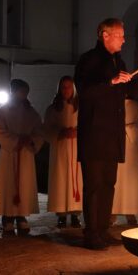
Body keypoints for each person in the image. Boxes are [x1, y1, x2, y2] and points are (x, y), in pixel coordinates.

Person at [74, 18, 138, 250]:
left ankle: (102, 229)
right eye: (120, 34)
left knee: (108, 184)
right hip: (94, 134)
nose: (124, 39)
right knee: (93, 186)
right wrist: (110, 82)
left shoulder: (117, 60)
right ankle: (91, 233)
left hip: (112, 136)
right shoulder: (89, 60)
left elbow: (129, 90)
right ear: (105, 35)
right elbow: (85, 91)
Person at [0, 79, 44, 234]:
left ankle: (21, 214)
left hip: (25, 153)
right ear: (13, 92)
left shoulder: (31, 111)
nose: (23, 95)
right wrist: (16, 140)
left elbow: (39, 131)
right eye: (21, 92)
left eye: (25, 92)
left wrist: (30, 140)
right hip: (10, 153)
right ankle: (7, 216)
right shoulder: (3, 111)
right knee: (9, 183)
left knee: (24, 183)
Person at [43, 76, 82, 228]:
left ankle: (76, 213)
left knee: (77, 180)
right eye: (63, 87)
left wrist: (77, 132)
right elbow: (46, 129)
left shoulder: (81, 107)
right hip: (60, 149)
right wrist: (60, 133)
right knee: (60, 179)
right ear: (59, 89)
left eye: (69, 87)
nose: (66, 90)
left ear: (74, 89)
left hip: (77, 147)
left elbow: (88, 125)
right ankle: (61, 214)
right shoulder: (53, 109)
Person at [111, 98, 138, 225]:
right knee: (114, 179)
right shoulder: (109, 103)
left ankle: (130, 211)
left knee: (129, 183)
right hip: (113, 146)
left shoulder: (135, 106)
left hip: (130, 148)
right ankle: (111, 212)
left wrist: (128, 130)